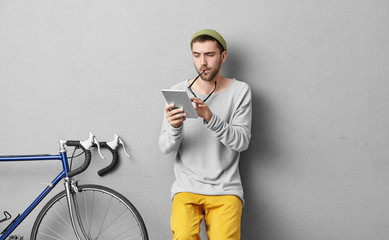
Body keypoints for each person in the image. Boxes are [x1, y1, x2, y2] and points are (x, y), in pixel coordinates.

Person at [159, 29, 252, 240]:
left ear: (223, 56)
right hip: (186, 188)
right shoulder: (178, 91)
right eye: (197, 55)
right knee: (183, 236)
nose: (203, 62)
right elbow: (165, 147)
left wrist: (210, 118)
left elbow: (242, 142)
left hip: (225, 189)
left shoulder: (240, 91)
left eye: (209, 55)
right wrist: (174, 128)